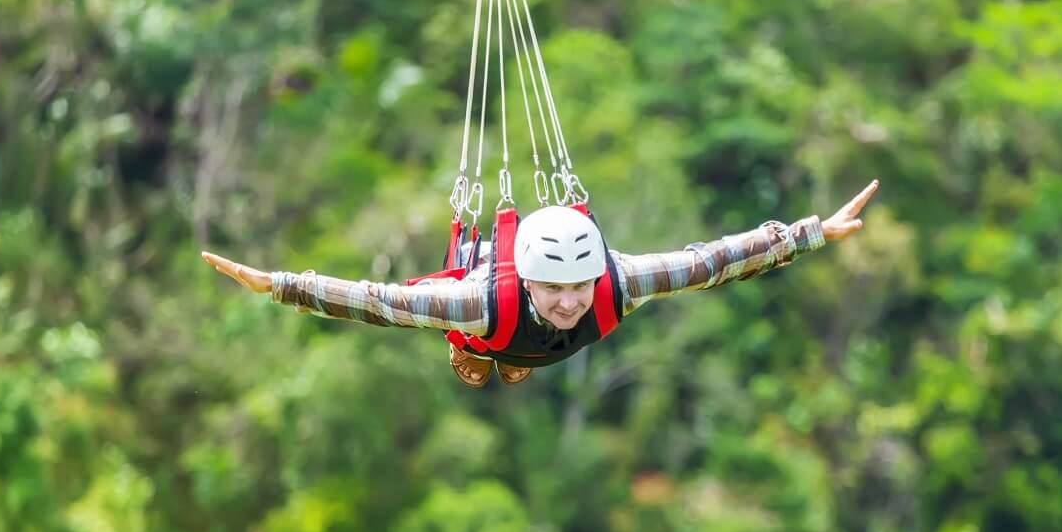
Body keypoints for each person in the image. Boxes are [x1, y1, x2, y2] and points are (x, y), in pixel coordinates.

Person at [202, 180, 879, 387]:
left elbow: (711, 261)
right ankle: (486, 357)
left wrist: (812, 231)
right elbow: (379, 302)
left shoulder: (618, 282)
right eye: (554, 290)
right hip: (488, 328)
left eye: (579, 287)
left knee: (529, 349)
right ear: (528, 280)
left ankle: (512, 361)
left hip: (521, 335)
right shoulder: (475, 301)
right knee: (481, 354)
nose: (570, 301)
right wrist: (280, 285)